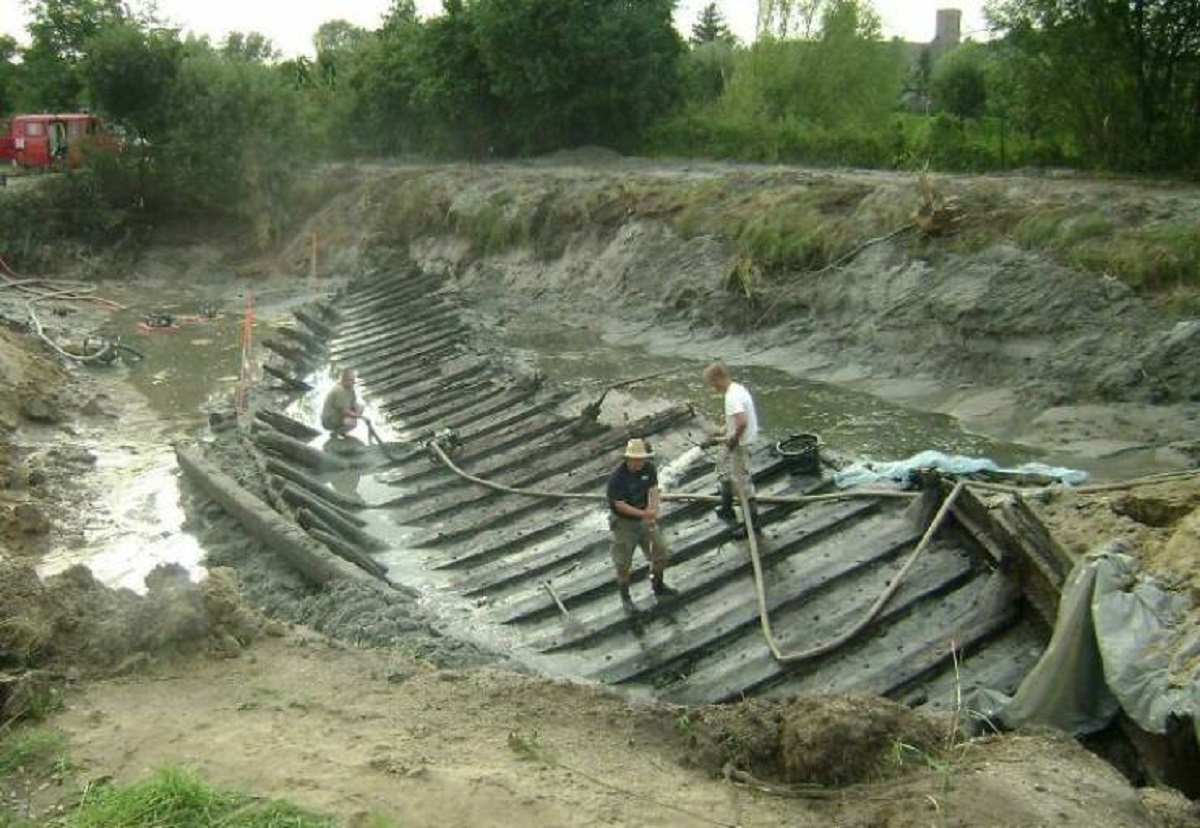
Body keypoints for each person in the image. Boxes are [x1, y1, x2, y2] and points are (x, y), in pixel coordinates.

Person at [606, 438, 677, 608]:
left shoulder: (649, 469)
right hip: (624, 524)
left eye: (642, 459)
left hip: (645, 520)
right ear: (628, 459)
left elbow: (653, 490)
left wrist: (653, 511)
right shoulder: (617, 478)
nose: (639, 463)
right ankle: (626, 598)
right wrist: (644, 513)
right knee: (623, 564)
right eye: (636, 459)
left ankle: (657, 585)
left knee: (661, 554)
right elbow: (620, 505)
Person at [702, 362, 762, 536]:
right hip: (739, 440)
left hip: (741, 445)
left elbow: (742, 422)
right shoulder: (737, 388)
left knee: (742, 485)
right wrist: (723, 430)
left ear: (718, 378)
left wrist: (732, 440)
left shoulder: (731, 397)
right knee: (723, 469)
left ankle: (753, 526)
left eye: (712, 383)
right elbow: (736, 420)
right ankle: (727, 507)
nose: (712, 388)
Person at [321, 368, 364, 437]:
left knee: (361, 407)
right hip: (329, 419)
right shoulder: (339, 391)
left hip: (339, 413)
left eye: (354, 380)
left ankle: (343, 429)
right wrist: (362, 417)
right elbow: (345, 411)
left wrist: (357, 411)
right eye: (351, 380)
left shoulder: (350, 389)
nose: (353, 382)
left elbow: (354, 403)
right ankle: (337, 433)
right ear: (344, 380)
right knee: (352, 423)